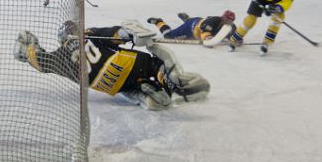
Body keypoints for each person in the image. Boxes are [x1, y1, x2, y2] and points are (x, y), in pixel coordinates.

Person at [13, 21, 210, 111]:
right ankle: (169, 78)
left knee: (128, 87)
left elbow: (40, 63)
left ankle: (144, 93)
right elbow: (115, 33)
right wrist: (130, 33)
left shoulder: (59, 57)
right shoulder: (88, 34)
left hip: (108, 84)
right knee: (153, 63)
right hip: (124, 64)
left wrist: (30, 49)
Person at [147, 10, 235, 47]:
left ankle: (187, 18)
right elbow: (207, 41)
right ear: (223, 18)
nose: (229, 23)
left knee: (191, 21)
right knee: (168, 35)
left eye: (231, 21)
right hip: (191, 28)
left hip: (198, 21)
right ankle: (159, 22)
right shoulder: (213, 22)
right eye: (227, 20)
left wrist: (235, 39)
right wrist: (209, 39)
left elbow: (236, 37)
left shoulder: (231, 26)